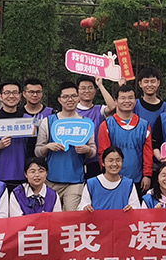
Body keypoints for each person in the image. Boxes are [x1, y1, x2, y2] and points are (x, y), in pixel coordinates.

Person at [35, 82, 98, 210]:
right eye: (65, 97)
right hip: (51, 180)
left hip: (75, 181)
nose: (70, 100)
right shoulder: (48, 122)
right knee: (51, 215)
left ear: (78, 98)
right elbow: (37, 151)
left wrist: (87, 150)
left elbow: (93, 151)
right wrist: (47, 147)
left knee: (71, 215)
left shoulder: (85, 124)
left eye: (73, 96)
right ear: (59, 99)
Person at [97, 84, 154, 196]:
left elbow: (148, 152)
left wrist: (147, 175)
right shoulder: (106, 125)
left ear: (135, 100)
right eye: (123, 98)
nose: (127, 101)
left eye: (130, 98)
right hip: (113, 179)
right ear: (116, 101)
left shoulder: (144, 125)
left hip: (137, 179)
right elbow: (103, 153)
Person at [0, 80, 30, 191]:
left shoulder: (28, 120)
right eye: (7, 93)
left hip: (23, 176)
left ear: (20, 96)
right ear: (0, 96)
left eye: (15, 93)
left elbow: (32, 149)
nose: (11, 96)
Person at [76, 75, 117, 178]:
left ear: (95, 91)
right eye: (83, 88)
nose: (87, 91)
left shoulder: (99, 110)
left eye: (90, 88)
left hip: (95, 160)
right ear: (77, 91)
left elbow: (112, 107)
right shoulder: (72, 111)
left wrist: (100, 85)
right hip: (75, 159)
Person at [79, 147, 141, 211]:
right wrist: (86, 208)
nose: (114, 164)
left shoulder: (129, 184)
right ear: (103, 163)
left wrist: (131, 209)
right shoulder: (91, 184)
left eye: (118, 160)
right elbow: (82, 207)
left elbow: (136, 208)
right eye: (110, 161)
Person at [22, 77, 55, 160]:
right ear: (24, 94)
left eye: (38, 92)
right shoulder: (19, 113)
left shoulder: (51, 114)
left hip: (44, 158)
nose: (35, 95)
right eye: (31, 92)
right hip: (22, 157)